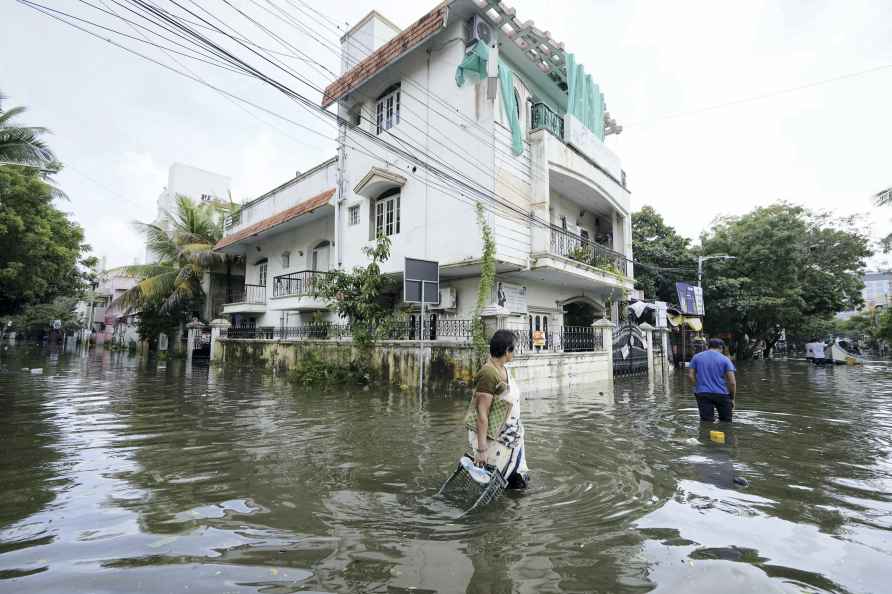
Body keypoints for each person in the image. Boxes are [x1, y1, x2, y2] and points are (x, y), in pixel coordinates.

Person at [464, 329, 529, 489]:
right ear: (507, 350)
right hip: (494, 440)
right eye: (514, 348)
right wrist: (481, 449)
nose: (515, 352)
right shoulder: (488, 373)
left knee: (517, 485)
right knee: (493, 486)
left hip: (511, 438)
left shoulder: (504, 369)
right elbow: (481, 413)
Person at [688, 337, 737, 422]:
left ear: (708, 346)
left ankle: (705, 434)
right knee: (726, 422)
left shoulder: (696, 357)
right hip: (722, 394)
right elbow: (732, 382)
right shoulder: (725, 359)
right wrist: (732, 398)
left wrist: (697, 386)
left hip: (703, 393)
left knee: (706, 422)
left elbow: (690, 376)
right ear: (721, 347)